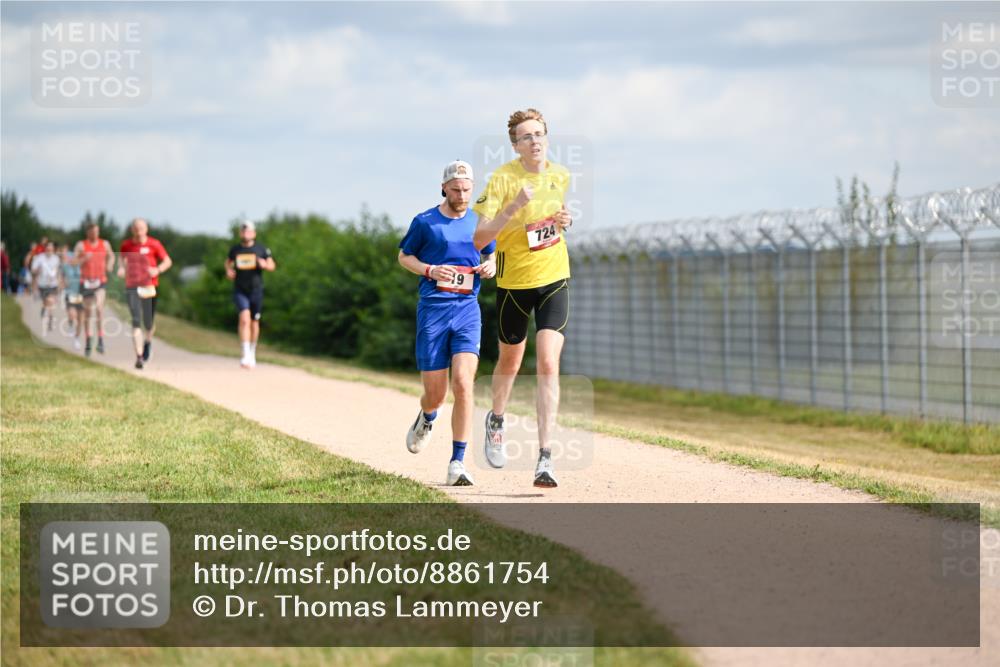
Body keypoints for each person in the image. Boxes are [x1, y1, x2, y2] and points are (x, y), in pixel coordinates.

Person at [472, 108, 574, 488]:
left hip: (554, 277)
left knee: (549, 362)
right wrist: (513, 207)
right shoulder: (502, 179)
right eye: (526, 136)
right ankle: (497, 419)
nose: (534, 141)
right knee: (511, 362)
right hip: (513, 282)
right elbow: (480, 239)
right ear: (515, 144)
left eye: (539, 134)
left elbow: (555, 219)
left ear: (547, 137)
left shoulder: (560, 175)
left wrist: (564, 221)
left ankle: (545, 457)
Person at [399, 160, 496, 486]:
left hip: (468, 309)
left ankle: (457, 463)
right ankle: (427, 417)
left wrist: (491, 266)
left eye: (467, 189)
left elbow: (490, 254)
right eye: (456, 189)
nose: (462, 195)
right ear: (444, 188)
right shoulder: (425, 222)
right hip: (434, 311)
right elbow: (404, 256)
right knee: (436, 395)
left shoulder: (479, 222)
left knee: (465, 384)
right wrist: (429, 269)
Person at [118, 218, 172, 369]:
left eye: (141, 228)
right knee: (136, 320)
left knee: (148, 323)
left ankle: (148, 341)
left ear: (146, 229)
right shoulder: (126, 245)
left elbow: (168, 261)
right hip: (132, 286)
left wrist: (158, 270)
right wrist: (122, 268)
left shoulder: (154, 244)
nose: (138, 231)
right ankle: (139, 356)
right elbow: (121, 260)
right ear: (132, 230)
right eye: (135, 228)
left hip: (149, 286)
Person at [224, 220, 276, 369]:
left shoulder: (261, 249)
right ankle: (245, 354)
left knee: (254, 322)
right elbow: (227, 263)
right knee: (244, 318)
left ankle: (252, 352)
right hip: (240, 289)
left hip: (256, 290)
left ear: (253, 233)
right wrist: (228, 271)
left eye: (248, 231)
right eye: (243, 231)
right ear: (240, 233)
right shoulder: (235, 250)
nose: (245, 233)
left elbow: (272, 265)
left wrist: (265, 265)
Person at [74, 222, 115, 356]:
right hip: (85, 281)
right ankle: (88, 340)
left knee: (98, 308)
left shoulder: (105, 244)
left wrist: (109, 265)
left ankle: (101, 340)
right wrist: (83, 259)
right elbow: (73, 262)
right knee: (88, 312)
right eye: (92, 232)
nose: (95, 234)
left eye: (97, 231)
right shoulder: (81, 245)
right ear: (88, 233)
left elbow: (112, 256)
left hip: (100, 280)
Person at [30, 241, 61, 335]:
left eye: (51, 249)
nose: (49, 250)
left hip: (53, 284)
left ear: (53, 249)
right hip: (42, 284)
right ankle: (44, 310)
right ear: (45, 249)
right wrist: (37, 270)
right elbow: (33, 270)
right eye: (48, 248)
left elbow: (58, 271)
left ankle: (50, 318)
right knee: (46, 302)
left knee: (50, 301)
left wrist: (59, 282)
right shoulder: (40, 258)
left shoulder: (56, 259)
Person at [59, 243, 84, 349]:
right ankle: (70, 324)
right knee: (72, 315)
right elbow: (61, 277)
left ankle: (76, 339)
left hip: (81, 293)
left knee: (80, 320)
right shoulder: (65, 265)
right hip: (70, 293)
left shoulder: (82, 266)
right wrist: (62, 286)